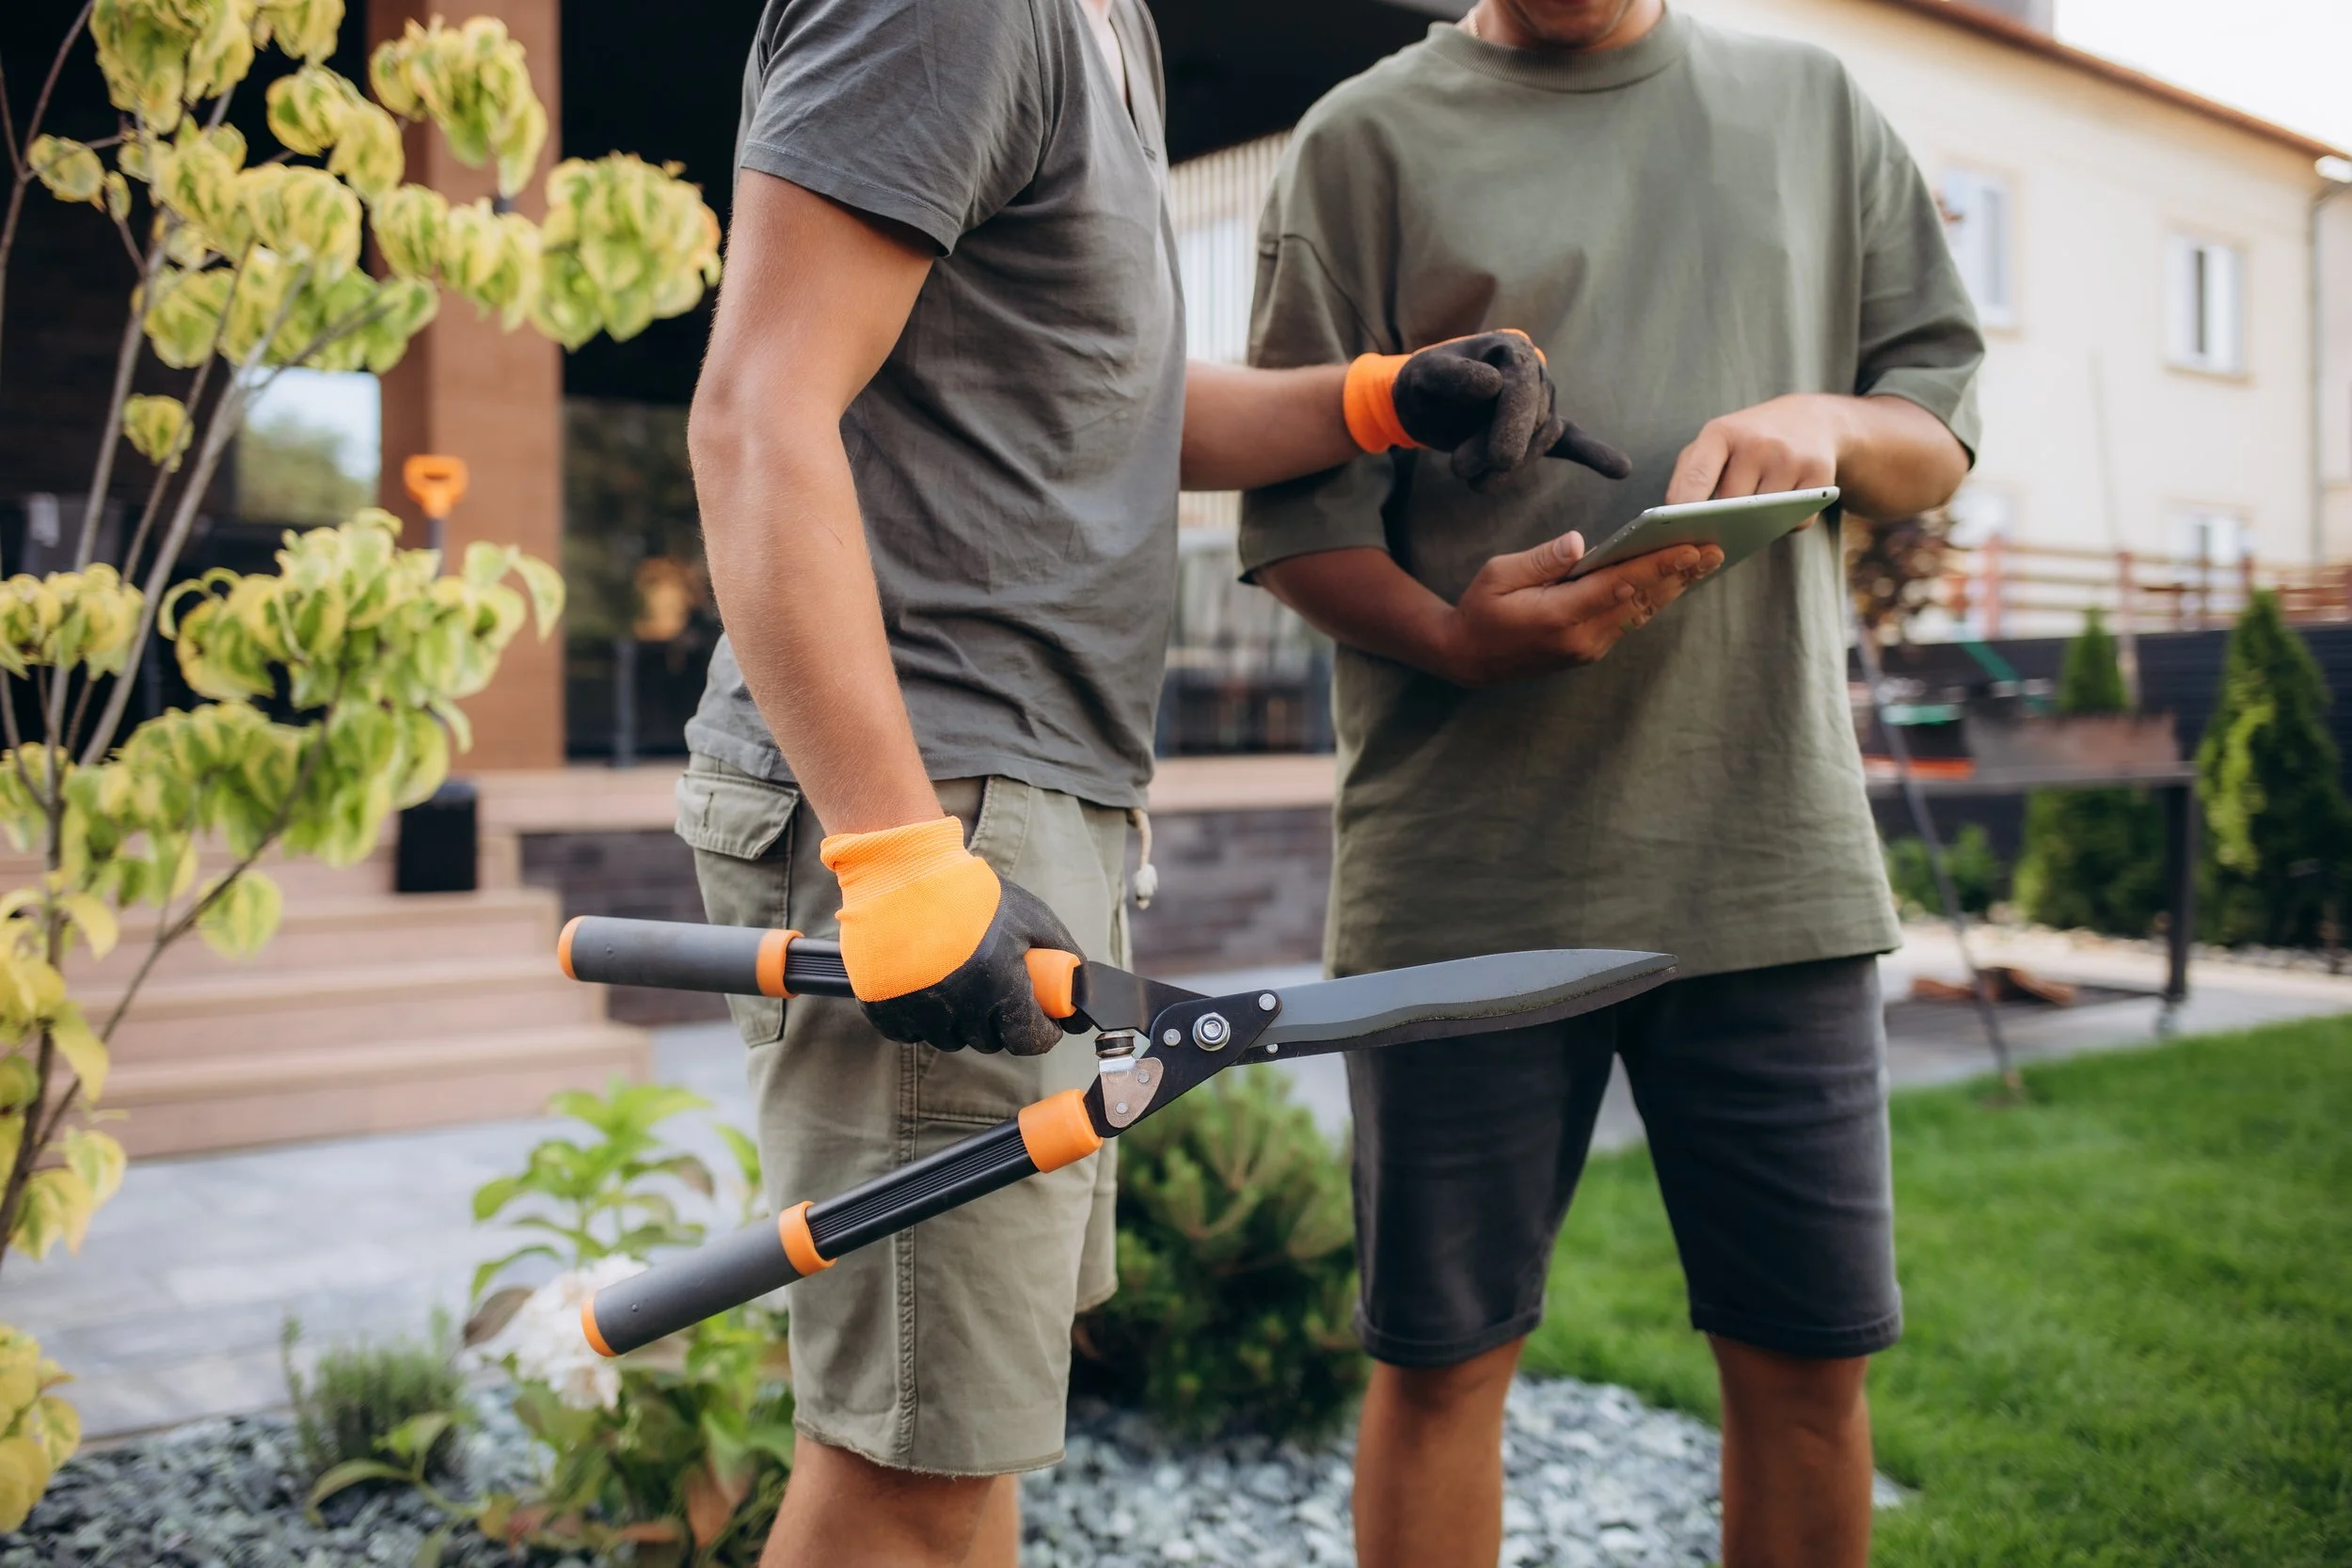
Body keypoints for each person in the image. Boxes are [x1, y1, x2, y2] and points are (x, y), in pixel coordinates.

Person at [679, 1, 1682, 1562]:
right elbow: (754, 411)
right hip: (938, 784)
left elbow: (1112, 398)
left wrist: (1376, 403)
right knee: (913, 1470)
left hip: (1015, 792)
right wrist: (895, 852)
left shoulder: (1102, 26)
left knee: (957, 1435)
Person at [1240, 3, 1984, 1566]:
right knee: (1440, 1369)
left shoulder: (1811, 104)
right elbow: (1294, 524)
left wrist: (1825, 422)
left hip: (1764, 855)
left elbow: (1935, 430)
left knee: (1805, 1370)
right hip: (1466, 875)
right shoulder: (1361, 140)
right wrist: (1455, 637)